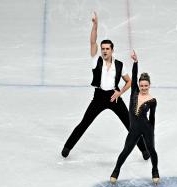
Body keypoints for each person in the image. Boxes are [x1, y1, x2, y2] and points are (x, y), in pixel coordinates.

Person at [61, 12, 148, 160]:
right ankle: (67, 147)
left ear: (112, 50)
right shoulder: (96, 61)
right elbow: (92, 42)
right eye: (103, 48)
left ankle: (144, 150)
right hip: (99, 97)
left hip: (113, 97)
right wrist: (95, 25)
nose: (104, 51)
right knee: (84, 122)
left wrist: (119, 93)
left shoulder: (120, 65)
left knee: (129, 124)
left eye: (107, 48)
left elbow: (129, 81)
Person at [110, 50, 159, 184]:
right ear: (139, 85)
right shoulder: (134, 92)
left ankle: (155, 170)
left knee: (152, 151)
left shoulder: (152, 100)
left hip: (147, 129)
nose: (143, 87)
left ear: (149, 86)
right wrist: (135, 62)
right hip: (134, 130)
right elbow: (134, 74)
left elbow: (152, 118)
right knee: (126, 150)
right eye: (142, 85)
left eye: (146, 85)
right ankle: (116, 170)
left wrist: (152, 132)